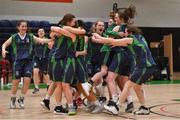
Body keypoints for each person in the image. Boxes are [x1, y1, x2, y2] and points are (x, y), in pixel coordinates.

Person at [92, 25, 156, 115]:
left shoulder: (131, 39)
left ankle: (117, 107)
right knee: (136, 87)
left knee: (128, 85)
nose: (124, 34)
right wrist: (101, 40)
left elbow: (113, 41)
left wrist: (98, 36)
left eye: (125, 32)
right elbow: (114, 42)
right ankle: (144, 107)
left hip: (144, 66)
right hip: (146, 66)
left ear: (130, 33)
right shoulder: (140, 37)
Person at [1, 20, 53, 109]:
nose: (24, 28)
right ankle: (13, 99)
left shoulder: (30, 36)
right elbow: (4, 44)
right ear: (18, 27)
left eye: (25, 26)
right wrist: (3, 50)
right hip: (17, 62)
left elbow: (41, 40)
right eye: (22, 26)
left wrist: (51, 39)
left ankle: (21, 99)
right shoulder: (14, 37)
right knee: (16, 81)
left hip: (28, 62)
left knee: (27, 80)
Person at [32, 28, 51, 94]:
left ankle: (48, 86)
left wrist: (49, 45)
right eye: (39, 31)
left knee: (45, 73)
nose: (41, 32)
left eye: (42, 31)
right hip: (36, 58)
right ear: (37, 33)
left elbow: (51, 48)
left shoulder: (48, 40)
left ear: (44, 33)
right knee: (35, 71)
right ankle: (36, 87)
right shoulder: (35, 40)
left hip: (45, 58)